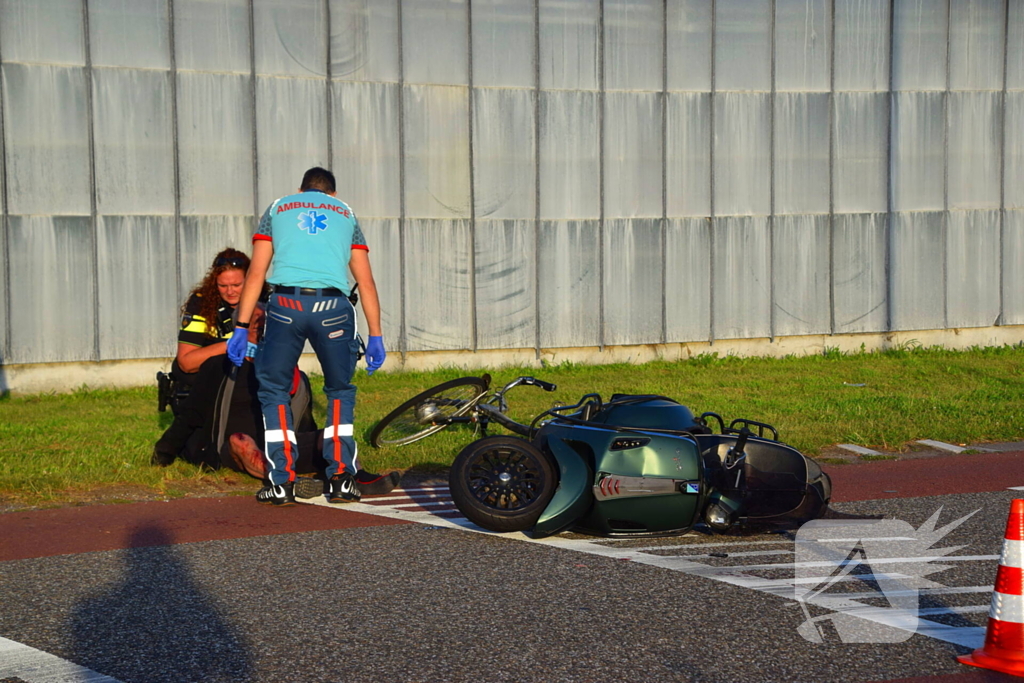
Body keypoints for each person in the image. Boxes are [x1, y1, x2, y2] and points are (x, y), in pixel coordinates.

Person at [228, 167, 386, 507]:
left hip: (286, 303)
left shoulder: (278, 207)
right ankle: (342, 478)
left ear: (301, 189)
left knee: (274, 391)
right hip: (334, 306)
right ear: (330, 193)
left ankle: (281, 481)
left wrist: (241, 327)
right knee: (340, 390)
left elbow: (257, 272)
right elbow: (367, 282)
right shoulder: (346, 212)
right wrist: (376, 334)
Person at [152, 248, 250, 466]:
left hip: (247, 388)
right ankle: (172, 444)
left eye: (237, 285)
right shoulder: (202, 303)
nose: (230, 292)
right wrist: (230, 345)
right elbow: (186, 363)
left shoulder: (266, 301)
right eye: (223, 286)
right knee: (204, 458)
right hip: (205, 391)